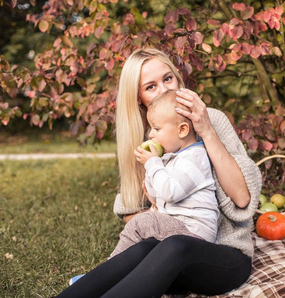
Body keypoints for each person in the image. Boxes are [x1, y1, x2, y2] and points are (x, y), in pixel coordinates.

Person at [57, 47, 262, 297]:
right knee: (152, 246)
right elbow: (129, 211)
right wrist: (159, 214)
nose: (165, 90)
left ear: (178, 79)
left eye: (168, 79)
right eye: (151, 86)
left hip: (224, 257)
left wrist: (206, 131)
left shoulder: (212, 120)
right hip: (169, 257)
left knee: (176, 244)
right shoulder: (150, 138)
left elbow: (242, 199)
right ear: (138, 98)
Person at [109, 90, 218, 258]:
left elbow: (170, 193)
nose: (151, 134)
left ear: (182, 130)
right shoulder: (172, 157)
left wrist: (152, 163)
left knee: (140, 223)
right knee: (145, 234)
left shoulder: (195, 158)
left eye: (157, 128)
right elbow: (159, 194)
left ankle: (110, 266)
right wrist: (149, 182)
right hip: (178, 225)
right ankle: (123, 267)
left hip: (194, 231)